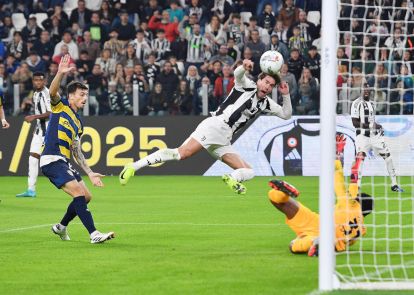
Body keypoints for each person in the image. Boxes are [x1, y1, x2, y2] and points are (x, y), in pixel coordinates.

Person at [119, 59, 292, 194]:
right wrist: (243, 67)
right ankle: (133, 167)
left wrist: (286, 95)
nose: (268, 87)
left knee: (249, 171)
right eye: (266, 82)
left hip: (224, 139)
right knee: (182, 154)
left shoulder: (266, 103)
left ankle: (232, 178)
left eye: (271, 85)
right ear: (260, 80)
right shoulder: (248, 87)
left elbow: (286, 114)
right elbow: (238, 75)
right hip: (215, 126)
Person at [40, 55, 114, 243]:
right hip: (51, 158)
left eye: (86, 96)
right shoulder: (60, 107)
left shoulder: (79, 123)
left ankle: (61, 227)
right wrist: (59, 73)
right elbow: (52, 92)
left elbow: (76, 151)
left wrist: (90, 172)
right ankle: (94, 234)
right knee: (78, 194)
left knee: (86, 196)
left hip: (63, 161)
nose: (84, 99)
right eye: (81, 95)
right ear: (71, 96)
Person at [268, 134, 373, 256]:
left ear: (358, 200)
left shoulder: (351, 203)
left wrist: (338, 154)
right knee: (295, 245)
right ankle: (316, 242)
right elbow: (354, 182)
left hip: (318, 223)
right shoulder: (361, 230)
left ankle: (283, 193)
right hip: (328, 236)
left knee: (275, 198)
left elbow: (341, 178)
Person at [350, 82, 403, 192]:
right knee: (360, 159)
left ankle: (394, 184)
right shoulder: (356, 103)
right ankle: (357, 186)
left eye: (367, 89)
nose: (366, 91)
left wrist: (378, 126)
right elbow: (355, 122)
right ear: (360, 91)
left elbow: (371, 121)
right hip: (362, 137)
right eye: (364, 89)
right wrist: (370, 126)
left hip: (374, 137)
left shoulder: (372, 104)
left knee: (388, 157)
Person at [16, 73, 51, 198]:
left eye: (40, 80)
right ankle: (31, 190)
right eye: (35, 80)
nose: (37, 82)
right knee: (33, 158)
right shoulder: (35, 93)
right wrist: (36, 125)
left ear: (44, 81)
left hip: (48, 131)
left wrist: (34, 117)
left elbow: (50, 113)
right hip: (39, 130)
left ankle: (74, 182)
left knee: (54, 160)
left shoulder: (46, 93)